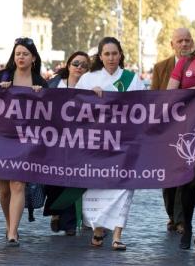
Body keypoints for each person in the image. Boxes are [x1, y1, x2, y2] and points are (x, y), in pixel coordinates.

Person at [76, 37, 145, 251]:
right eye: (107, 54)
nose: (111, 58)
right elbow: (73, 107)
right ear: (100, 56)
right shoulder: (88, 79)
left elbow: (143, 108)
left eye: (115, 53)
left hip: (124, 145)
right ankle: (98, 230)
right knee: (97, 188)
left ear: (121, 55)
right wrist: (89, 97)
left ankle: (116, 235)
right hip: (96, 145)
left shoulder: (132, 80)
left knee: (123, 189)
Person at [0, 37, 47, 247]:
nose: (21, 57)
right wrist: (0, 90)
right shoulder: (2, 76)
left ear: (33, 58)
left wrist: (41, 96)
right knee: (4, 190)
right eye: (18, 54)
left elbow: (49, 111)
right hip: (2, 137)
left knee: (18, 184)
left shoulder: (39, 82)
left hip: (26, 140)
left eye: (25, 54)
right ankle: (9, 224)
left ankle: (13, 231)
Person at [152, 27, 194, 234]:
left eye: (188, 40)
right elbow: (153, 98)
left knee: (186, 176)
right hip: (167, 131)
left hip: (192, 131)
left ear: (193, 43)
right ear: (172, 44)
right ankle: (172, 215)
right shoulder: (160, 67)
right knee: (167, 179)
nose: (184, 44)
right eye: (180, 41)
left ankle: (181, 220)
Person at [44, 51, 90, 236]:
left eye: (84, 65)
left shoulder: (92, 86)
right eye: (76, 63)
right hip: (54, 140)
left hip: (79, 140)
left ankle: (69, 223)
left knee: (73, 179)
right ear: (69, 65)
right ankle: (55, 211)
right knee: (54, 179)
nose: (79, 67)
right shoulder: (53, 84)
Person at [166, 38, 195, 253]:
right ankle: (187, 228)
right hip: (188, 136)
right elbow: (170, 96)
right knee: (188, 186)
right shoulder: (184, 63)